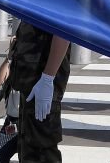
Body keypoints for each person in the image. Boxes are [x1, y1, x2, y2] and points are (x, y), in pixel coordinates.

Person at [9, 20, 71, 162]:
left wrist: (48, 77)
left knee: (42, 149)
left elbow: (63, 30)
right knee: (27, 148)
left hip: (41, 80)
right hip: (29, 83)